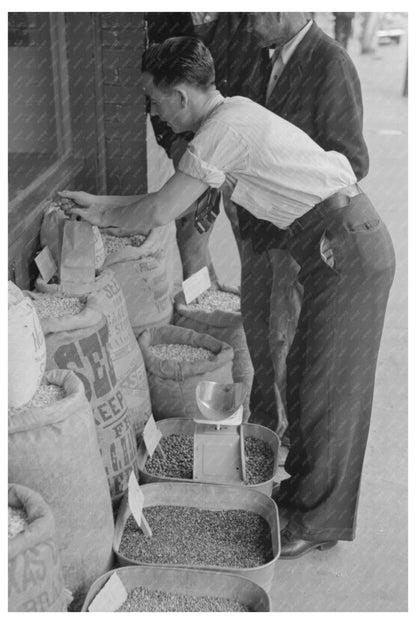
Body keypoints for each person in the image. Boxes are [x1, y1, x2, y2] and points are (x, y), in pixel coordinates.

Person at [61, 37, 395, 558]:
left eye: (153, 99)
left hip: (347, 246)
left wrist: (101, 214)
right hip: (333, 241)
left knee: (330, 389)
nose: (152, 111)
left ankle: (316, 520)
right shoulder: (228, 116)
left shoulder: (220, 131)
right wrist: (99, 205)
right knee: (309, 376)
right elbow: (162, 201)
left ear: (179, 97)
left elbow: (158, 211)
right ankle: (302, 496)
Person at [241, 12, 370, 443]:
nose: (246, 22)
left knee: (286, 349)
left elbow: (352, 161)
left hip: (297, 243)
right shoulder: (265, 57)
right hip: (258, 233)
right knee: (260, 341)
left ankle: (289, 452)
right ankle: (265, 438)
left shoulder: (330, 62)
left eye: (253, 11)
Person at [145, 12, 267, 280]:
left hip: (242, 150)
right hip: (192, 147)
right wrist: (175, 144)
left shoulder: (251, 16)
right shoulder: (160, 16)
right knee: (191, 235)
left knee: (252, 239)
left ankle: (255, 310)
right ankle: (202, 308)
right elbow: (155, 87)